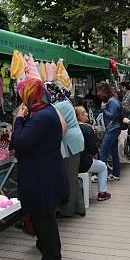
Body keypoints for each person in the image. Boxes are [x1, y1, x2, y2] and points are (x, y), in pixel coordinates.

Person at [10, 78, 68, 260]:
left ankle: (52, 256)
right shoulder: (45, 110)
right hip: (44, 172)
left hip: (42, 176)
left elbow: (20, 142)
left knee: (44, 216)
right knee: (43, 215)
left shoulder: (41, 116)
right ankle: (46, 247)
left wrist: (18, 119)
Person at [47, 82, 86, 218]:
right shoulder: (65, 101)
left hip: (70, 142)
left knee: (69, 177)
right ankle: (80, 207)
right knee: (73, 176)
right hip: (74, 140)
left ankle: (68, 211)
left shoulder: (58, 106)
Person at [75, 106, 110, 201]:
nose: (87, 114)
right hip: (85, 163)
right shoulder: (87, 129)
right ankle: (102, 192)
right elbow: (93, 149)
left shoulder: (73, 128)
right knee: (103, 166)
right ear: (80, 116)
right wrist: (95, 156)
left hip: (73, 163)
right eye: (85, 112)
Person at [96, 82, 122, 181]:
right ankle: (116, 174)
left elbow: (111, 115)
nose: (98, 93)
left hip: (112, 129)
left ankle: (103, 174)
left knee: (103, 151)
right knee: (114, 151)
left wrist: (103, 108)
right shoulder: (114, 100)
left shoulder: (111, 101)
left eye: (99, 91)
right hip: (115, 128)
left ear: (104, 91)